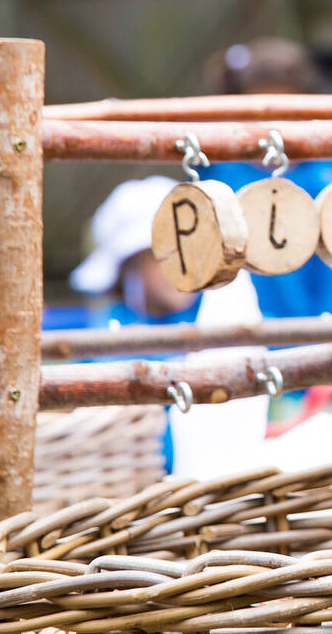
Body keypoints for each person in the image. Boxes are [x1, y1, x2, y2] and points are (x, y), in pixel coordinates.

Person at [70, 176, 268, 478]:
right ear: (130, 265)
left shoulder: (221, 313)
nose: (181, 265)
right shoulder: (106, 334)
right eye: (163, 255)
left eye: (189, 250)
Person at [199, 38, 332, 319]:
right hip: (240, 341)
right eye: (259, 115)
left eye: (286, 114)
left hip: (322, 338)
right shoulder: (221, 181)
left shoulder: (327, 181)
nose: (274, 128)